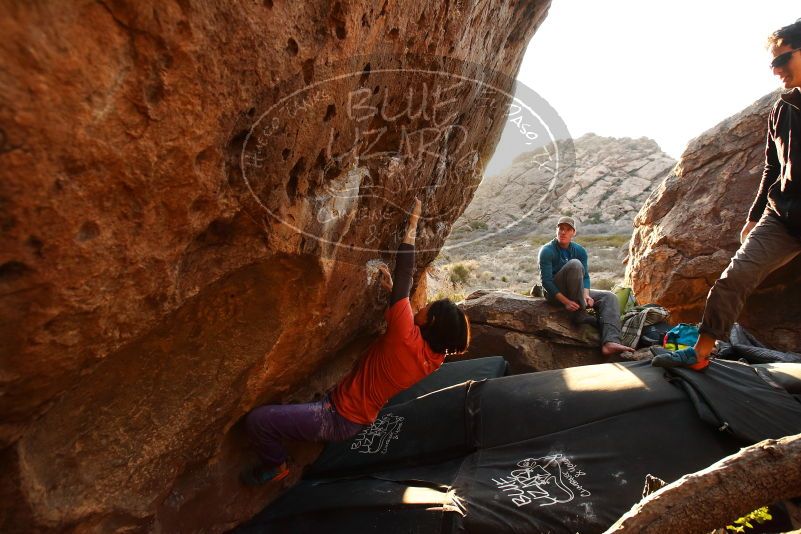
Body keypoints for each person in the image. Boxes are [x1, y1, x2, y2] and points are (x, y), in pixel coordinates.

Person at [241, 198, 471, 485]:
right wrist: (395, 296)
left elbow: (404, 277)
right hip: (356, 416)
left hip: (336, 417)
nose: (422, 307)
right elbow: (408, 315)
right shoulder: (433, 358)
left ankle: (277, 466)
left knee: (259, 421)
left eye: (429, 308)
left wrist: (412, 225)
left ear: (431, 323)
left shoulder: (405, 338)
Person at [652, 18, 801, 371]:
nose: (776, 70)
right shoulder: (782, 109)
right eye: (772, 63)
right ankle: (701, 353)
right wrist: (753, 216)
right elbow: (771, 168)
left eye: (783, 60)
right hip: (782, 218)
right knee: (733, 279)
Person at [537, 216, 633, 357]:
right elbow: (546, 282)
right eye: (561, 229)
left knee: (609, 297)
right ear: (556, 230)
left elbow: (586, 277)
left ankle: (610, 342)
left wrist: (586, 294)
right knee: (575, 264)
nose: (563, 232)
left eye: (568, 229)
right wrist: (567, 302)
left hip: (575, 291)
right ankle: (580, 315)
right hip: (555, 294)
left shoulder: (579, 250)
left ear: (573, 233)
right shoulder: (547, 250)